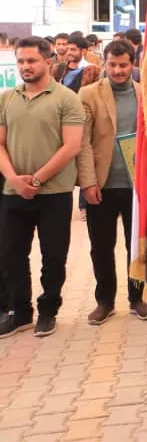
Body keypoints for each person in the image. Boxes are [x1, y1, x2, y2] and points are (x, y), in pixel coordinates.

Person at [0, 36, 84, 338]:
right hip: (13, 193)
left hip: (54, 194)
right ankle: (19, 312)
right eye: (21, 61)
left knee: (53, 257)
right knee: (10, 254)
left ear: (48, 60)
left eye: (32, 60)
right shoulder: (7, 98)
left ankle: (48, 310)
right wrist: (12, 178)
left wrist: (36, 180)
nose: (26, 66)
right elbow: (0, 144)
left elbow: (71, 146)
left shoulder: (66, 98)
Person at [75, 40, 147, 325]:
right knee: (101, 246)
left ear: (133, 64)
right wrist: (87, 182)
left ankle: (136, 299)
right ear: (105, 63)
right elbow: (82, 143)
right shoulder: (88, 95)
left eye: (124, 65)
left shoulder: (145, 93)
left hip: (136, 186)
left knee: (135, 246)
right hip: (102, 184)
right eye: (113, 65)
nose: (118, 70)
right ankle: (104, 301)